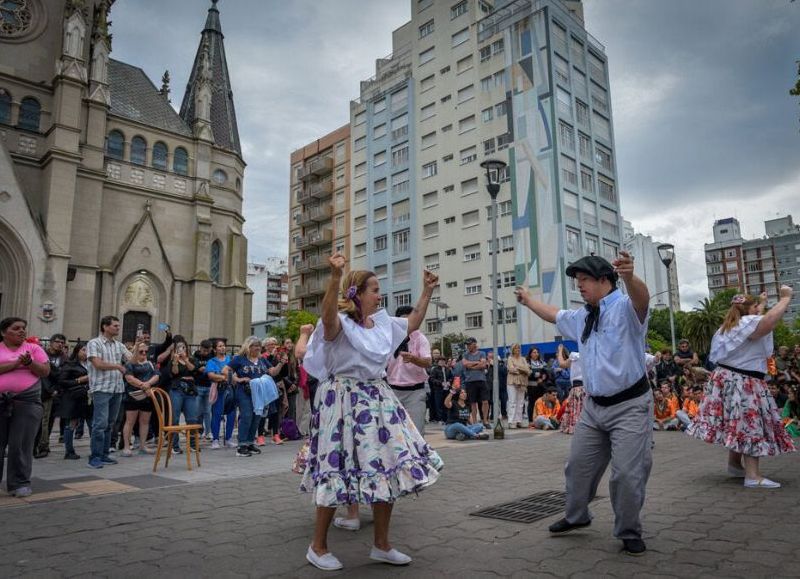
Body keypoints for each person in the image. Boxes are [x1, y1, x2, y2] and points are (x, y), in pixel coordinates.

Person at [300, 252, 443, 571]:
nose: (380, 294)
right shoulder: (340, 324)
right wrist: (336, 277)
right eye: (375, 289)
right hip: (343, 398)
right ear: (358, 293)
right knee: (336, 467)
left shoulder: (382, 324)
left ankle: (381, 545)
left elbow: (414, 322)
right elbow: (326, 318)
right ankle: (318, 546)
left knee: (387, 464)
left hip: (377, 396)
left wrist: (427, 290)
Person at [515, 251, 652, 556]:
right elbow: (554, 314)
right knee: (577, 466)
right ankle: (577, 517)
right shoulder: (582, 316)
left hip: (630, 405)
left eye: (585, 279)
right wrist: (527, 300)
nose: (579, 286)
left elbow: (642, 300)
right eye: (577, 281)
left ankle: (629, 531)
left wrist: (630, 276)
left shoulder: (626, 308)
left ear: (605, 280)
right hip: (594, 407)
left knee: (627, 475)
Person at [687, 288, 796, 488]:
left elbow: (757, 319)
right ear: (748, 310)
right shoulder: (748, 323)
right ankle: (753, 476)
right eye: (756, 307)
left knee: (737, 422)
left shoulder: (729, 326)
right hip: (743, 380)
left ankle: (735, 464)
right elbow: (766, 322)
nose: (759, 311)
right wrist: (785, 299)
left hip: (728, 378)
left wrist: (761, 301)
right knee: (748, 423)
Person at [0, 318, 50, 497]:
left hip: (27, 403)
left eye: (23, 328)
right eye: (16, 328)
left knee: (20, 444)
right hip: (1, 402)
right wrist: (15, 364)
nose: (22, 331)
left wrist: (29, 363)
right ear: (4, 332)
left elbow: (44, 371)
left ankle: (19, 482)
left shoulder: (34, 349)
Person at [86, 316, 133, 469]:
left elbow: (132, 360)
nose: (118, 328)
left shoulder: (119, 345)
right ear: (105, 327)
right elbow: (97, 364)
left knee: (110, 424)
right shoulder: (94, 343)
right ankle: (95, 456)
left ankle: (105, 454)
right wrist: (117, 367)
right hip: (101, 388)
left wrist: (138, 347)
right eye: (115, 326)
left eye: (118, 326)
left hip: (117, 388)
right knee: (100, 423)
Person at [230, 336, 283, 457]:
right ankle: (241, 445)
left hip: (259, 393)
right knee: (247, 415)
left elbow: (273, 372)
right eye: (255, 345)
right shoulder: (239, 359)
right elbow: (226, 370)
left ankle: (249, 442)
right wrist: (239, 379)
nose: (257, 348)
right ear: (248, 347)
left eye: (259, 346)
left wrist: (281, 363)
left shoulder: (262, 360)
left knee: (257, 417)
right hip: (245, 391)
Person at [386, 305, 432, 435]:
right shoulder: (390, 338)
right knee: (393, 432)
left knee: (416, 431)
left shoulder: (420, 338)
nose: (407, 324)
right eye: (403, 321)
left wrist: (413, 359)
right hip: (393, 391)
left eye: (410, 320)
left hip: (415, 392)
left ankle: (418, 455)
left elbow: (428, 362)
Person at [121, 343, 158, 456]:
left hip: (146, 396)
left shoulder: (150, 363)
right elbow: (129, 378)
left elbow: (156, 375)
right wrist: (143, 385)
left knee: (145, 422)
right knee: (130, 421)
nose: (144, 354)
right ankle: (127, 447)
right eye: (141, 351)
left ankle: (143, 445)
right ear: (135, 351)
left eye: (145, 351)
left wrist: (148, 384)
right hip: (132, 395)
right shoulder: (130, 364)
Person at [33, 334, 67, 458]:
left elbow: (62, 376)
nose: (60, 344)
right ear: (51, 342)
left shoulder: (64, 358)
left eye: (62, 342)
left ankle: (43, 445)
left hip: (56, 393)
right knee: (42, 420)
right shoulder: (43, 355)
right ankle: (40, 445)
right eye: (57, 342)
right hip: (43, 391)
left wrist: (57, 390)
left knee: (49, 420)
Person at [58, 342, 91, 460]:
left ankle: (95, 450)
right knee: (71, 424)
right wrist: (79, 380)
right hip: (74, 398)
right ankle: (69, 450)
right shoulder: (70, 364)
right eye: (84, 350)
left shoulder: (92, 364)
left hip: (88, 398)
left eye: (88, 350)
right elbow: (62, 382)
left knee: (92, 424)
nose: (86, 352)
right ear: (77, 351)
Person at [206, 339, 236, 450]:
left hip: (230, 389)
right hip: (219, 390)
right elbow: (211, 375)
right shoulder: (212, 361)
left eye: (223, 346)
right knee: (216, 414)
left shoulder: (230, 359)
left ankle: (228, 439)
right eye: (219, 346)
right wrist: (225, 377)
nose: (222, 348)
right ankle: (215, 439)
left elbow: (234, 373)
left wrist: (223, 376)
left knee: (231, 414)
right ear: (214, 349)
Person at [558, 345, 585, 435]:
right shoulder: (589, 355)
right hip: (586, 387)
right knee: (582, 408)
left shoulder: (575, 355)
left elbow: (562, 364)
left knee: (575, 408)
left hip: (577, 387)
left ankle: (575, 427)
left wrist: (560, 350)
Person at [461, 338, 489, 426]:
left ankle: (485, 420)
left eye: (469, 344)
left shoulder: (482, 353)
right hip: (470, 381)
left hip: (481, 380)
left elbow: (483, 364)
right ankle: (475, 422)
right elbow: (465, 364)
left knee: (485, 401)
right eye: (467, 344)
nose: (468, 346)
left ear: (475, 344)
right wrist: (478, 363)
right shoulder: (465, 354)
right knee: (473, 403)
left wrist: (471, 366)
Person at [506, 344, 530, 429]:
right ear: (512, 350)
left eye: (519, 348)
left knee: (521, 402)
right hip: (512, 382)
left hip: (522, 382)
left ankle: (518, 420)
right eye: (516, 348)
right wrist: (522, 369)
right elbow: (511, 369)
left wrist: (518, 368)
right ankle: (511, 421)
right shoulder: (510, 358)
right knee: (512, 401)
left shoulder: (523, 359)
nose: (517, 349)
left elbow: (528, 370)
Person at [193, 340, 214, 439]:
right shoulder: (195, 356)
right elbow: (194, 368)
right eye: (204, 350)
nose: (206, 353)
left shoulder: (211, 356)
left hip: (209, 386)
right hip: (198, 385)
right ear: (200, 348)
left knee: (207, 411)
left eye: (208, 351)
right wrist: (199, 368)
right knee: (197, 411)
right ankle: (198, 430)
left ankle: (208, 432)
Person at [427, 349, 451, 424]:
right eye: (440, 361)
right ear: (438, 362)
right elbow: (432, 379)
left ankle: (446, 418)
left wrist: (449, 382)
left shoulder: (448, 369)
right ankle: (439, 419)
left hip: (446, 389)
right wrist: (440, 383)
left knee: (446, 404)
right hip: (438, 389)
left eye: (443, 361)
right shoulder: (435, 369)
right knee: (438, 404)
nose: (442, 362)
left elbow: (451, 377)